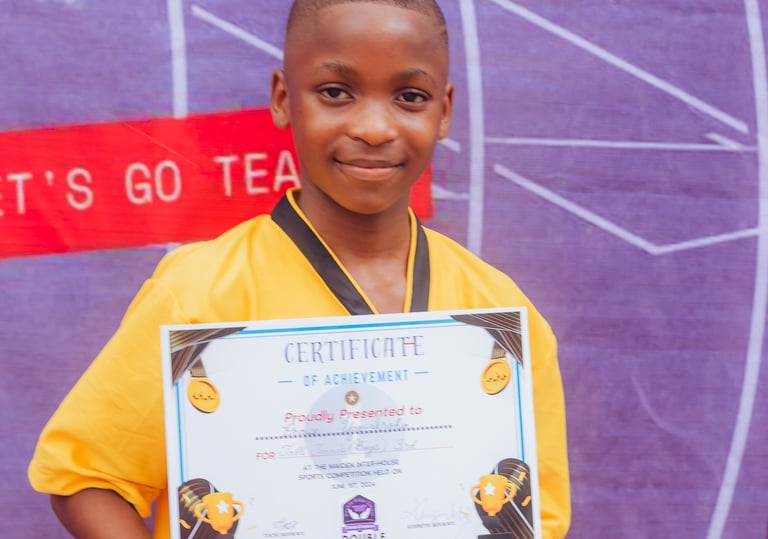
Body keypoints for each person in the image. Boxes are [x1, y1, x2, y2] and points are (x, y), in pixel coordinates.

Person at [28, 1, 571, 538]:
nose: (374, 127)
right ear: (284, 99)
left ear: (444, 110)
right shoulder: (200, 293)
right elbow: (87, 479)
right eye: (336, 92)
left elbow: (535, 514)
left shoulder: (500, 315)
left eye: (409, 96)